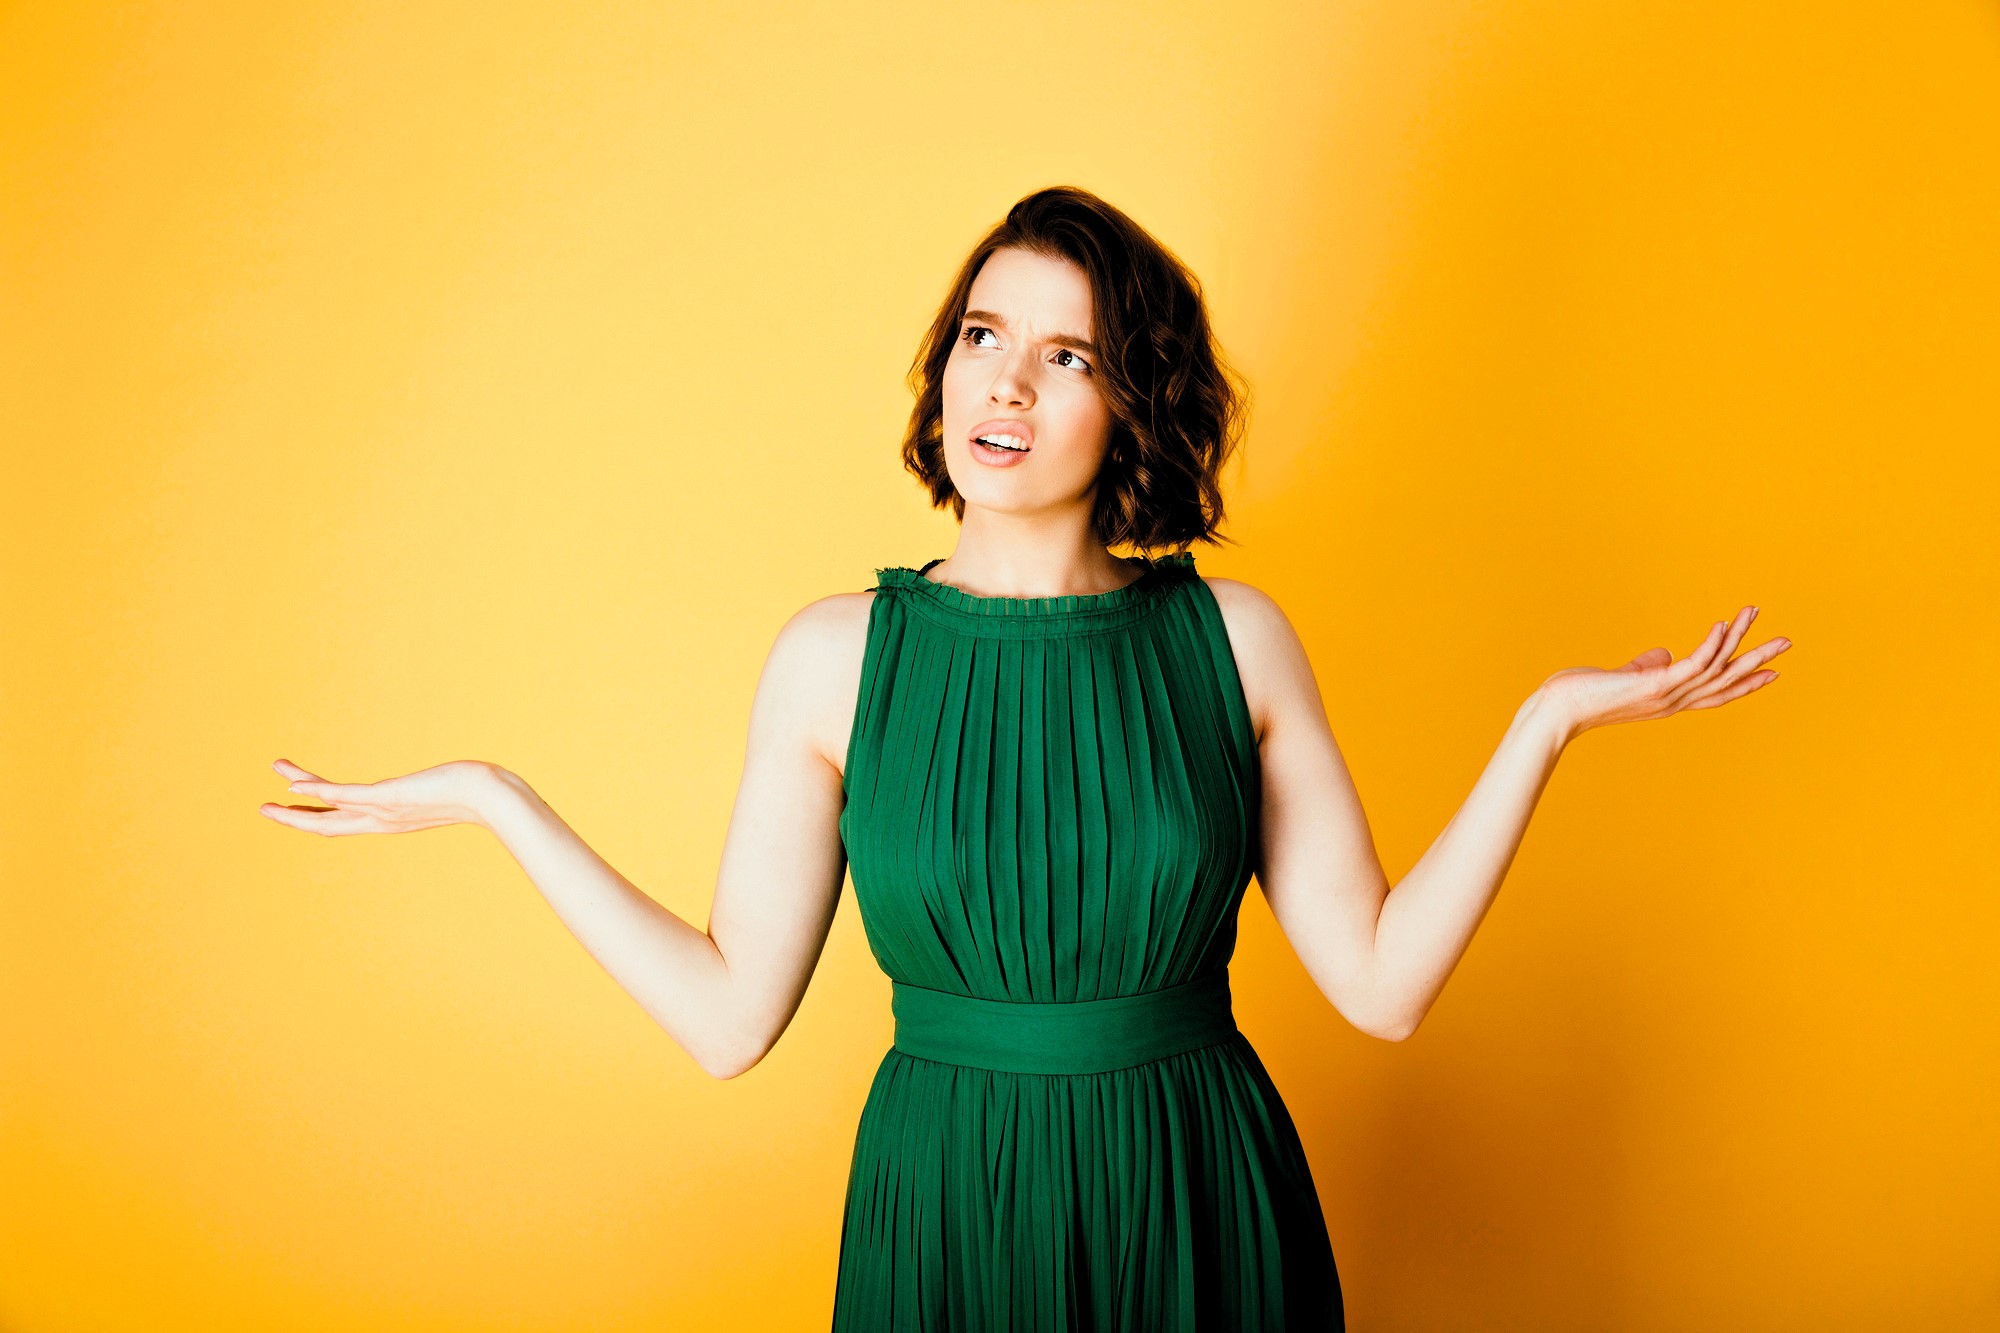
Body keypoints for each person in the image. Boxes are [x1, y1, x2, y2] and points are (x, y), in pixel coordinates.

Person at [260, 185, 1791, 1330]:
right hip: (949, 1211)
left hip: (1197, 1199)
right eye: (986, 335)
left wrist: (1545, 724)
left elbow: (1382, 985)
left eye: (1068, 355)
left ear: (1131, 408)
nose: (1006, 383)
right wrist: (493, 802)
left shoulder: (1233, 641)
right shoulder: (835, 660)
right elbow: (730, 1018)